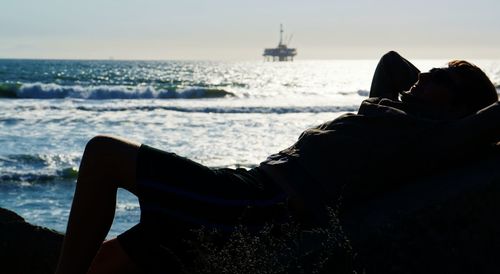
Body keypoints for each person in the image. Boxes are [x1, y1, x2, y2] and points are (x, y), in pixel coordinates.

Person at [55, 51, 499, 274]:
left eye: (441, 77)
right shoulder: (397, 113)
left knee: (103, 153)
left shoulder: (436, 136)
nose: (424, 75)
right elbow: (392, 63)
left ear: (461, 108)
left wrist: (466, 110)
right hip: (246, 188)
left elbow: (486, 119)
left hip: (257, 208)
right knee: (104, 264)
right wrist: (424, 86)